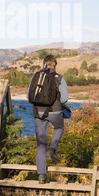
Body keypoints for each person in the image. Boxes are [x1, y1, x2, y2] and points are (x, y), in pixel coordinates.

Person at [27, 54, 68, 184]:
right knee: (59, 127)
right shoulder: (59, 78)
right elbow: (64, 99)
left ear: (43, 64)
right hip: (55, 112)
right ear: (55, 65)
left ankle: (41, 176)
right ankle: (53, 150)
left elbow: (29, 95)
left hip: (39, 113)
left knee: (40, 144)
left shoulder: (37, 76)